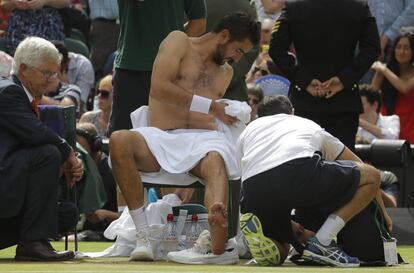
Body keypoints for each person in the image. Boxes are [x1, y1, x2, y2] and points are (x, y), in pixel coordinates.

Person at [109, 12, 260, 263]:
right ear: (224, 35)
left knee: (216, 159)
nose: (237, 58)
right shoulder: (178, 40)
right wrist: (212, 107)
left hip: (202, 142)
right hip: (161, 136)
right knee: (119, 139)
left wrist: (231, 115)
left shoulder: (226, 73)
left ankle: (215, 240)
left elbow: (207, 115)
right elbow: (159, 87)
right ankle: (143, 234)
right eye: (239, 50)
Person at [237, 95, 389, 267]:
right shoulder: (306, 124)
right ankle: (322, 242)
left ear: (259, 116)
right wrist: (384, 213)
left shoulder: (248, 131)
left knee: (280, 252)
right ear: (292, 112)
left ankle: (273, 238)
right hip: (297, 173)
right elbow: (359, 165)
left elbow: (241, 176)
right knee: (371, 175)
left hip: (253, 193)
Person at [0, 37, 83, 261]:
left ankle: (33, 239)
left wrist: (66, 157)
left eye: (55, 74)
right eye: (46, 74)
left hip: (11, 193)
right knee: (48, 153)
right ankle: (32, 243)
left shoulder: (21, 95)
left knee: (67, 214)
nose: (52, 82)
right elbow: (36, 132)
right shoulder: (8, 92)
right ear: (24, 69)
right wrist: (68, 153)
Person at [269, 0, 381, 151]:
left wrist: (304, 80)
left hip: (305, 100)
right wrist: (343, 80)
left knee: (305, 163)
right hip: (344, 102)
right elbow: (372, 48)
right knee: (342, 167)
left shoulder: (294, 6)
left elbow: (276, 49)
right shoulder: (358, 6)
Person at [107, 0, 207, 135]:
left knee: (170, 138)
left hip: (165, 71)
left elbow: (199, 23)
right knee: (122, 137)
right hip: (131, 70)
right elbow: (198, 23)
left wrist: (173, 49)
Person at [371, 32, 414, 144]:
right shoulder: (384, 71)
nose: (401, 51)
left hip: (411, 121)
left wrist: (384, 70)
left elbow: (404, 88)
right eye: (398, 47)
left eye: (406, 48)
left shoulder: (384, 70)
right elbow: (372, 94)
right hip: (389, 121)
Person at [1, 0, 69, 55]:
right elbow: (4, 5)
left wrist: (45, 1)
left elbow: (65, 2)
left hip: (47, 27)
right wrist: (14, 3)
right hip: (18, 29)